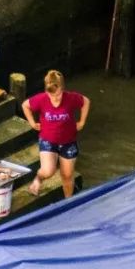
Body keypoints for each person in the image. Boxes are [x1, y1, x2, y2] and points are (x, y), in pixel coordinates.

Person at [22, 70, 90, 198]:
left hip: (68, 141)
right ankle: (38, 179)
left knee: (67, 174)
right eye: (51, 95)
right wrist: (32, 122)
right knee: (48, 171)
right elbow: (25, 105)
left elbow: (86, 102)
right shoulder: (41, 99)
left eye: (58, 95)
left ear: (62, 88)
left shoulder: (71, 98)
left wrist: (81, 122)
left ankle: (68, 202)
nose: (55, 99)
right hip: (48, 140)